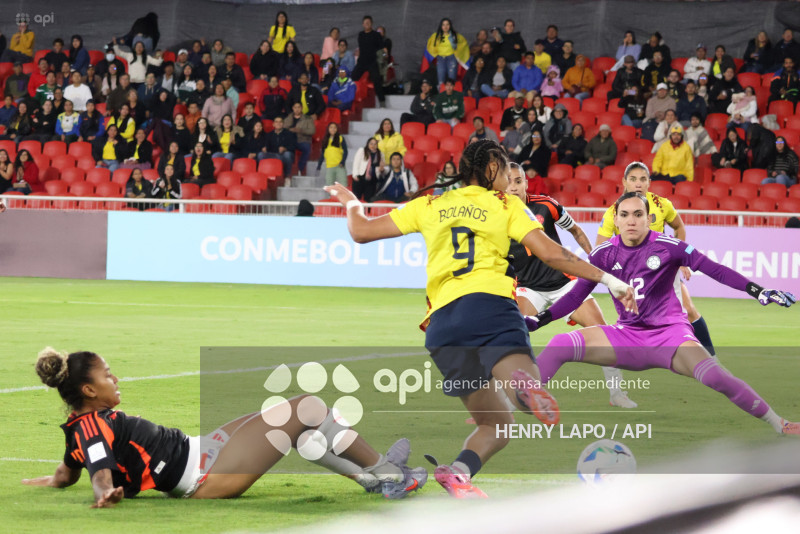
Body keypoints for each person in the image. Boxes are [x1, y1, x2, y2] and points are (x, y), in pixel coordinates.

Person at [324, 139, 636, 498]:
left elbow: (361, 231)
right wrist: (608, 279)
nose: (508, 179)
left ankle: (458, 472)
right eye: (505, 170)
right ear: (491, 168)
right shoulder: (506, 205)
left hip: (442, 327)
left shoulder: (430, 204)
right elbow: (552, 253)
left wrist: (352, 203)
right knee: (524, 391)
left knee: (496, 424)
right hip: (490, 308)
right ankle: (523, 386)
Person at [526, 191, 799, 435]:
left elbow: (714, 269)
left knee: (716, 377)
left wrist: (758, 290)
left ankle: (780, 423)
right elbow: (576, 295)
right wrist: (541, 319)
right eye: (624, 215)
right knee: (560, 343)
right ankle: (524, 399)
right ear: (615, 220)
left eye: (638, 214)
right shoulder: (603, 255)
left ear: (648, 219)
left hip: (671, 336)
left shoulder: (670, 247)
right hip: (627, 337)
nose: (631, 220)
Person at [24, 347, 425, 505]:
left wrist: (48, 482)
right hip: (204, 474)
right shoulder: (92, 428)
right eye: (108, 375)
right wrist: (104, 493)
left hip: (201, 450)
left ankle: (373, 480)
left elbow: (65, 474)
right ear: (89, 390)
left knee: (299, 424)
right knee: (307, 407)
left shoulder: (80, 428)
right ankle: (390, 474)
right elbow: (99, 471)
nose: (116, 379)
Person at [505, 163, 636, 408]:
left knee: (603, 333)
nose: (513, 187)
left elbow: (575, 230)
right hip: (528, 288)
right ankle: (509, 400)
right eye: (508, 182)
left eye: (518, 181)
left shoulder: (547, 205)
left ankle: (617, 393)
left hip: (565, 283)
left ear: (526, 183)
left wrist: (594, 260)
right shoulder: (497, 216)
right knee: (512, 335)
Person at [596, 162, 717, 357]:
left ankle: (712, 358)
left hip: (661, 271)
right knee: (634, 318)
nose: (638, 184)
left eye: (643, 179)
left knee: (688, 310)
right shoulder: (614, 211)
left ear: (649, 183)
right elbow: (600, 247)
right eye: (633, 179)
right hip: (631, 275)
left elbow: (679, 227)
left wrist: (680, 259)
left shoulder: (662, 204)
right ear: (624, 182)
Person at [351, 16, 386, 107]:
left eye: (368, 22)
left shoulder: (376, 35)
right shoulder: (361, 35)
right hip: (361, 62)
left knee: (377, 80)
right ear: (363, 24)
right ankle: (350, 99)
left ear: (372, 24)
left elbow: (382, 48)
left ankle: (382, 102)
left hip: (372, 62)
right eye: (365, 22)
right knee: (352, 78)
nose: (367, 24)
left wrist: (384, 54)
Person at [427, 18, 470, 85]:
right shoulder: (436, 36)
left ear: (450, 26)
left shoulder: (455, 35)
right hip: (441, 59)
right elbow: (430, 46)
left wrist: (456, 48)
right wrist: (434, 54)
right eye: (443, 25)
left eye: (447, 24)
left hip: (451, 58)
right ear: (441, 26)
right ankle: (441, 92)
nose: (445, 26)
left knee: (452, 80)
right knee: (441, 80)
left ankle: (452, 92)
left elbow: (464, 44)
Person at [284, 102, 315, 175]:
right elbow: (283, 128)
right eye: (295, 107)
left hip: (302, 140)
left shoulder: (308, 119)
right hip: (290, 140)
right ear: (293, 108)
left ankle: (300, 168)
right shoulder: (288, 118)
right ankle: (288, 171)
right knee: (286, 151)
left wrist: (301, 130)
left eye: (299, 107)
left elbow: (312, 131)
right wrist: (290, 130)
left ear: (301, 108)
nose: (297, 109)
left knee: (307, 149)